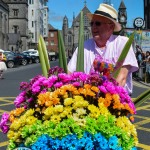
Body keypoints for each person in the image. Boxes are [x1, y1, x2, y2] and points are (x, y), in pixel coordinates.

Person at [68, 3, 138, 95]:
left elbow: (121, 79)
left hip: (116, 99)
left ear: (111, 27)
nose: (93, 27)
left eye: (98, 23)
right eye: (91, 23)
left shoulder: (123, 43)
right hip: (87, 98)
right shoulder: (83, 47)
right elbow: (69, 74)